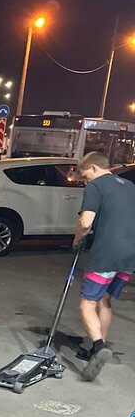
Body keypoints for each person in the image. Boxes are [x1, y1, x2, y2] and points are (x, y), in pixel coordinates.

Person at [73, 151, 135, 380]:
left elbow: (85, 222)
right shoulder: (130, 186)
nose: (85, 181)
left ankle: (99, 346)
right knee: (105, 300)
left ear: (93, 168)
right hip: (129, 254)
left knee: (87, 304)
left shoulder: (96, 186)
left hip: (107, 253)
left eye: (85, 176)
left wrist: (77, 239)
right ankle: (96, 350)